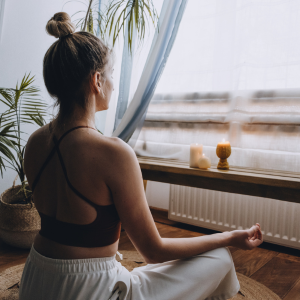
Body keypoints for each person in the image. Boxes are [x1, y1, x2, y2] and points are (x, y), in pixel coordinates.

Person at [19, 12, 263, 300]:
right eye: (110, 75)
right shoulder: (113, 153)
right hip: (89, 292)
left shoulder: (34, 143)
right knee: (219, 258)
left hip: (36, 281)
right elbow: (154, 251)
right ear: (96, 81)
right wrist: (229, 237)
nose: (112, 83)